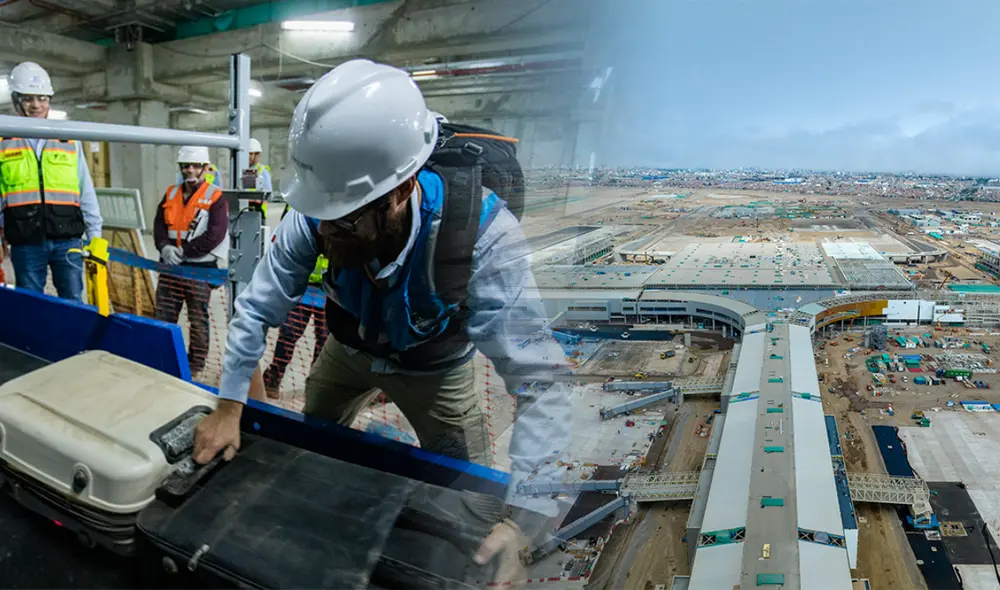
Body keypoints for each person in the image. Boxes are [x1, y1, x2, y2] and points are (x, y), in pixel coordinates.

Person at [193, 59, 571, 578]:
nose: (325, 235)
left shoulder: (483, 237)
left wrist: (525, 522)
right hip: (346, 353)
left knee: (465, 494)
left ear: (399, 191)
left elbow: (542, 382)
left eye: (345, 219)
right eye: (321, 216)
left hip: (436, 369)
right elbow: (257, 306)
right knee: (313, 447)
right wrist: (229, 403)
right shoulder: (319, 209)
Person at [0, 61, 103, 301]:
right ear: (16, 101)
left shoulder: (68, 139)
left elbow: (85, 189)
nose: (36, 105)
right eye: (28, 98)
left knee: (73, 300)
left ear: (50, 100)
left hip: (67, 239)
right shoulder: (3, 141)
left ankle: (70, 340)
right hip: (25, 242)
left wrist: (95, 234)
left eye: (42, 98)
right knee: (31, 304)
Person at [154, 146, 229, 375]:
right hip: (170, 267)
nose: (190, 170)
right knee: (164, 316)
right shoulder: (171, 193)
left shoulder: (215, 196)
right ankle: (162, 358)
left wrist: (183, 251)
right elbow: (159, 225)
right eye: (186, 166)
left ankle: (194, 365)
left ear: (206, 168)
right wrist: (164, 246)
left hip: (199, 269)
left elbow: (215, 235)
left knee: (197, 320)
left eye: (196, 166)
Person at [262, 250, 330, 398]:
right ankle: (273, 380)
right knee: (289, 333)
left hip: (330, 292)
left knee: (324, 341)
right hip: (303, 287)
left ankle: (316, 387)